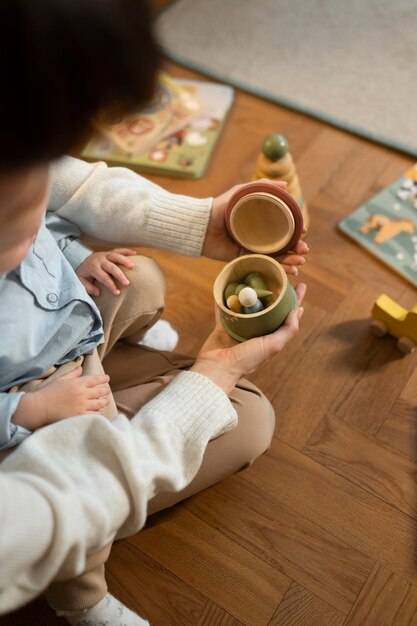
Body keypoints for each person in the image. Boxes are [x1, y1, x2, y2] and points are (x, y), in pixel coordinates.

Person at [0, 0, 308, 624]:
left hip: (59, 323)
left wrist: (73, 251)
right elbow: (66, 494)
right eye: (15, 226)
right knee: (247, 422)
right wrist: (27, 411)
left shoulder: (21, 194)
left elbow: (66, 197)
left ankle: (135, 350)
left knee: (134, 275)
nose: (37, 223)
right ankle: (79, 600)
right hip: (31, 392)